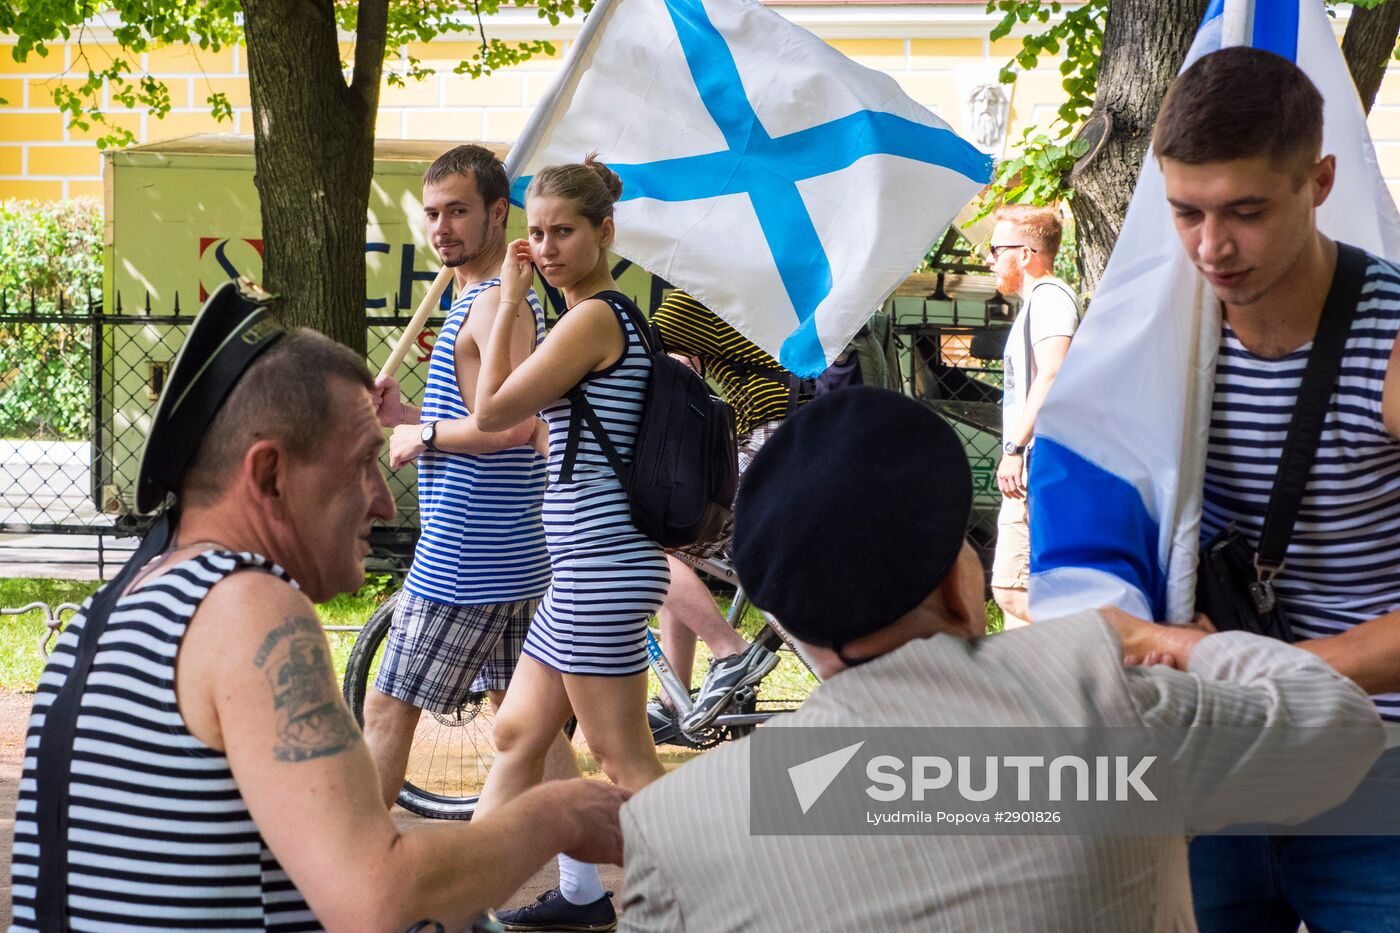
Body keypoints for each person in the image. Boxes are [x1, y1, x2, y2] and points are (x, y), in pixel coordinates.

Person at [617, 387, 1382, 932]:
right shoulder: (1100, 708)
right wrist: (1161, 640)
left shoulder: (675, 825)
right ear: (962, 583)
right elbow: (1339, 727)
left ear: (784, 620)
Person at [11, 282, 627, 932]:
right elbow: (376, 895)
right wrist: (559, 814)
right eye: (363, 463)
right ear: (270, 474)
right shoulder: (249, 607)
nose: (384, 502)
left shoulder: (105, 616)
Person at [1152, 46, 1400, 930]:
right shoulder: (1146, 336)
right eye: (1186, 212)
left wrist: (1261, 671)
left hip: (1373, 778)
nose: (1212, 247)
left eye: (1246, 211)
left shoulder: (1392, 342)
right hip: (1206, 775)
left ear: (1321, 180)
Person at [365, 145, 594, 904]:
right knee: (525, 728)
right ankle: (584, 884)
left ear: (500, 212)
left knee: (385, 705)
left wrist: (421, 436)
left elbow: (516, 426)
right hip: (506, 553)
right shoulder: (477, 299)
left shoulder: (500, 300)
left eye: (458, 210)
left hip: (466, 554)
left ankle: (352, 883)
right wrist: (408, 415)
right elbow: (473, 414)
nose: (441, 227)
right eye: (432, 213)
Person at [471, 156, 670, 932]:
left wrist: (510, 300)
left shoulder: (594, 317)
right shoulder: (599, 317)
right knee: (519, 731)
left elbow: (491, 412)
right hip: (587, 569)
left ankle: (715, 896)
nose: (546, 248)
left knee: (625, 759)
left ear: (605, 233)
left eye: (563, 232)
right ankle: (482, 903)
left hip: (601, 568)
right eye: (535, 234)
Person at [648, 289, 789, 738]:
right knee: (676, 540)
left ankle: (731, 652)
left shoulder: (697, 293)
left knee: (641, 543)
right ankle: (676, 701)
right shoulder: (776, 286)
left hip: (777, 437)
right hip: (821, 432)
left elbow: (621, 358)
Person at [988, 204, 1080, 628]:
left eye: (995, 249)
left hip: (1036, 460)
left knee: (1014, 589)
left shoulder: (1050, 299)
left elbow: (1053, 372)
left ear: (1024, 253)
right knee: (1022, 594)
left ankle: (1093, 648)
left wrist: (1015, 447)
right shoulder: (1038, 303)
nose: (988, 259)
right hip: (1033, 461)